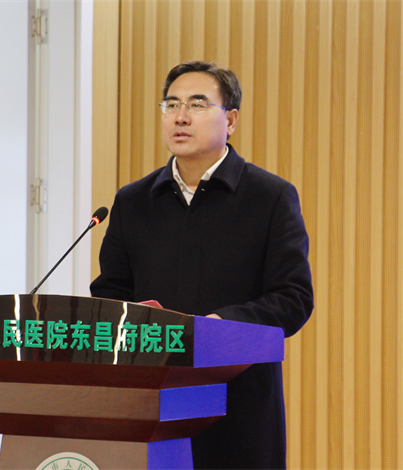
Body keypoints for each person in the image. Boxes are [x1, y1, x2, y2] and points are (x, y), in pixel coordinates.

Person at [90, 60, 313, 469]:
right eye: (171, 104)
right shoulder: (133, 201)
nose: (180, 116)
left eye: (197, 104)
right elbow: (110, 293)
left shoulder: (270, 197)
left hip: (238, 405)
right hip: (150, 403)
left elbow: (293, 298)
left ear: (231, 120)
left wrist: (217, 326)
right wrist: (133, 319)